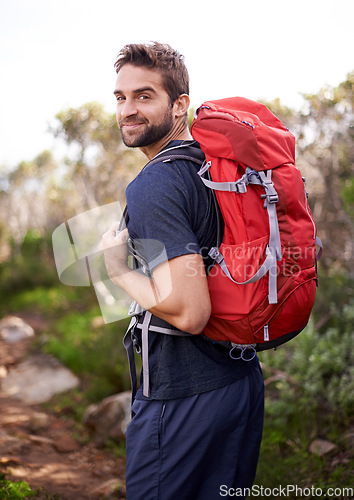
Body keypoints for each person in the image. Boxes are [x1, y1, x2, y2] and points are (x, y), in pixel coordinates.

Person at [102, 42, 264, 500]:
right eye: (120, 97)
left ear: (180, 105)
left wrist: (117, 270)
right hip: (240, 382)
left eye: (144, 96)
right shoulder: (213, 170)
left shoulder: (155, 183)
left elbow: (191, 312)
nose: (127, 110)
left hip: (184, 400)